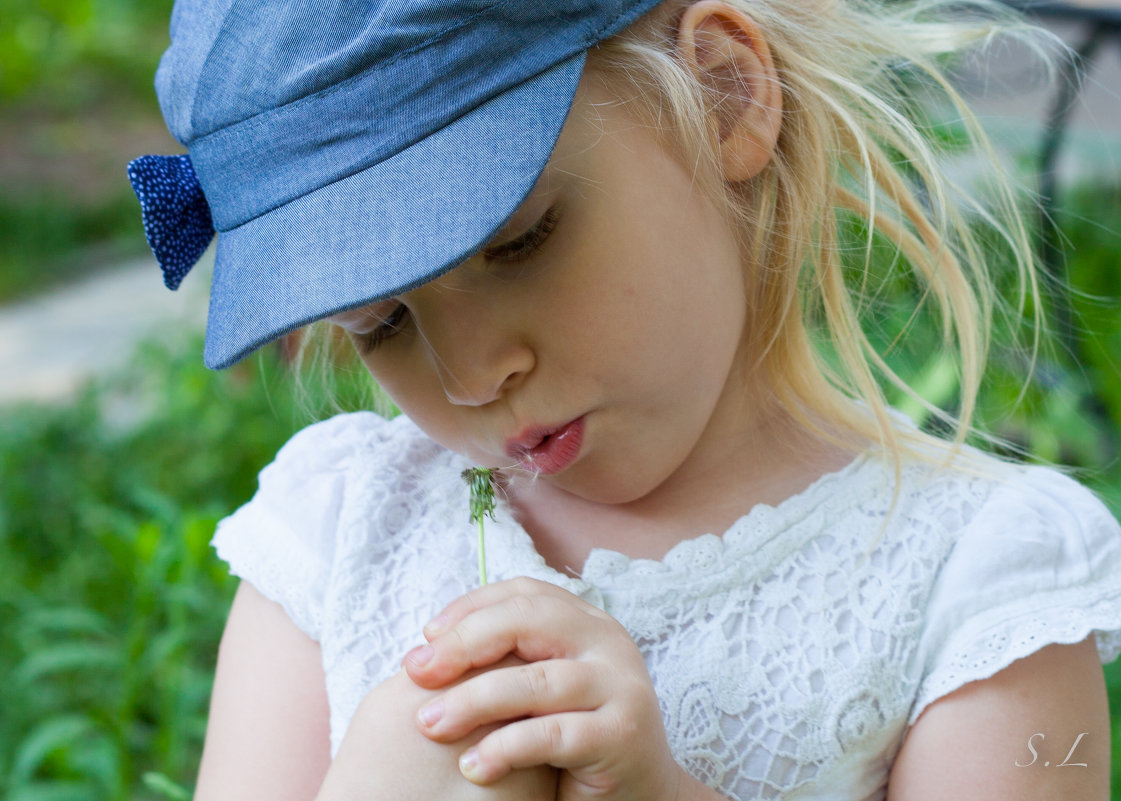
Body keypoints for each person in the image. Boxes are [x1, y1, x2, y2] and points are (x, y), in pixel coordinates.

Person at [127, 0, 1121, 799]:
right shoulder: (337, 534)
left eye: (517, 245)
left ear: (725, 98)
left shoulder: (974, 585)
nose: (473, 374)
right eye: (379, 324)